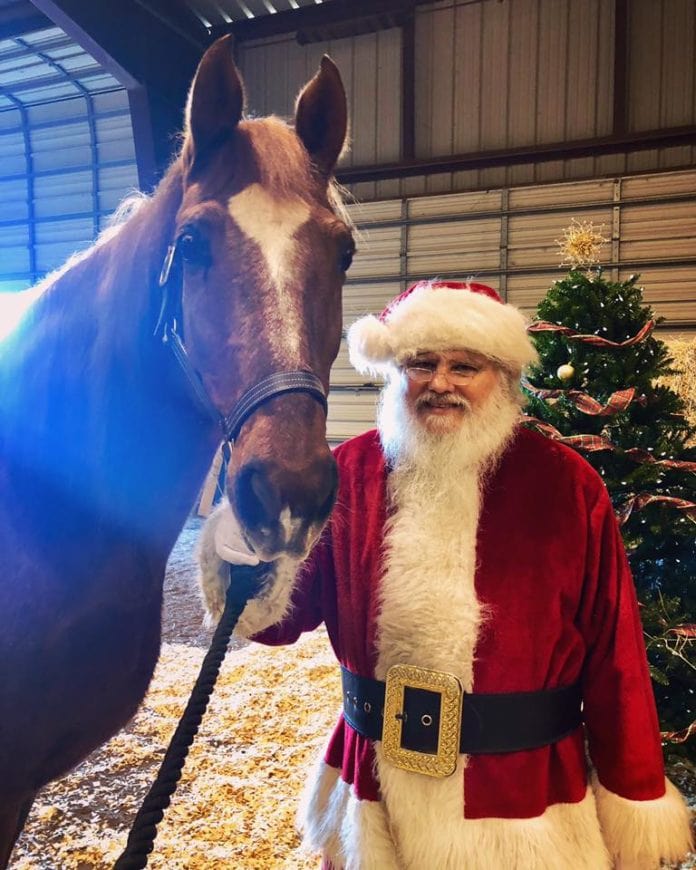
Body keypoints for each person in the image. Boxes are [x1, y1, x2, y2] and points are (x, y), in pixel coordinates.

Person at [198, 280, 693, 869]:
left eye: (465, 366)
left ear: (503, 379)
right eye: (421, 363)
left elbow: (616, 654)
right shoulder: (349, 473)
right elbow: (279, 619)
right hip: (375, 795)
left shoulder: (566, 484)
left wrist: (633, 790)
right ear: (395, 372)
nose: (440, 383)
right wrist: (246, 537)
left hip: (524, 805)